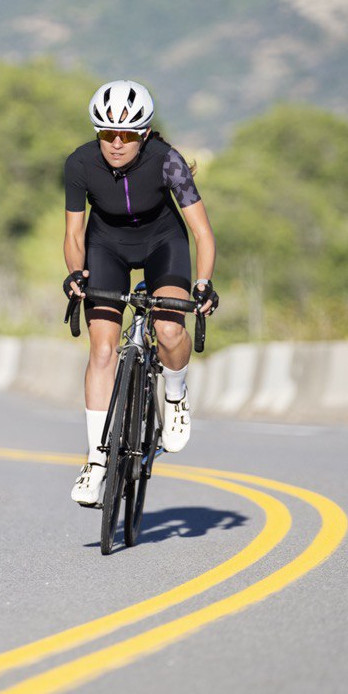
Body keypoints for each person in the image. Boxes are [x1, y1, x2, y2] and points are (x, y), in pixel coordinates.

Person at [62, 80, 219, 507]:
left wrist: (203, 283)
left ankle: (175, 390)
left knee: (169, 330)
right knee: (102, 349)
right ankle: (95, 461)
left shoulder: (168, 163)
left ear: (144, 133)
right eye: (107, 133)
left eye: (127, 135)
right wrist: (76, 274)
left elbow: (202, 233)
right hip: (106, 246)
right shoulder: (79, 164)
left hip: (162, 242)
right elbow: (74, 233)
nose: (116, 143)